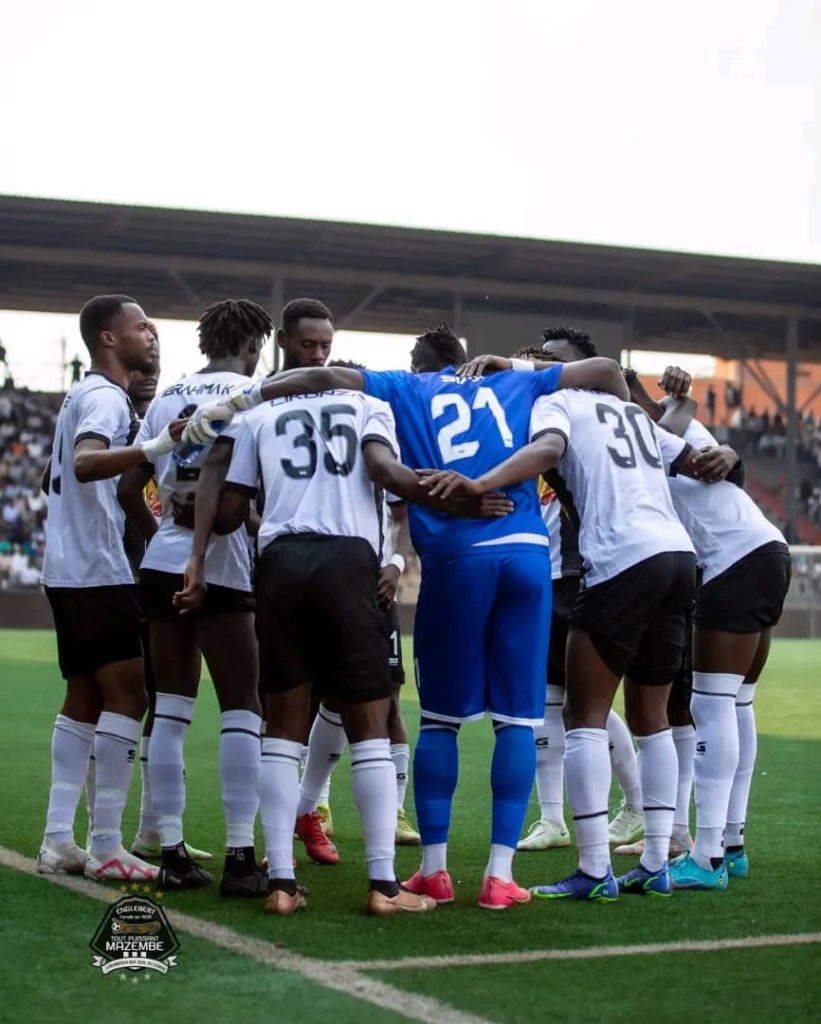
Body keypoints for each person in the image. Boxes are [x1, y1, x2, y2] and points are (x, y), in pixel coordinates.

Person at [183, 321, 629, 910]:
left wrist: (253, 395)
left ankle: (428, 871)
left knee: (431, 722)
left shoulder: (397, 390)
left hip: (439, 560)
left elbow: (322, 389)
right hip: (523, 553)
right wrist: (516, 367)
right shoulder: (517, 384)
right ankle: (494, 876)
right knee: (516, 723)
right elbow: (608, 373)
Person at [419, 357, 722, 900]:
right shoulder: (628, 411)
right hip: (679, 558)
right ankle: (656, 862)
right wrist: (713, 438)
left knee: (582, 715)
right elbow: (692, 457)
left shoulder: (555, 403)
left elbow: (548, 450)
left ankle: (593, 870)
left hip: (622, 559)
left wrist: (481, 481)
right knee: (651, 715)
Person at [210, 375, 511, 916]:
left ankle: (279, 882)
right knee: (371, 722)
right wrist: (457, 499)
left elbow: (229, 513)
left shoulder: (257, 416)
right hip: (348, 563)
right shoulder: (367, 403)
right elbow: (386, 473)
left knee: (282, 725)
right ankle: (383, 887)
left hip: (280, 562)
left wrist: (270, 516)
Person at [118, 299, 273, 894]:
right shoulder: (253, 398)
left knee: (173, 711)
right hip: (222, 566)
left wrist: (167, 539)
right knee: (242, 707)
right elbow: (235, 503)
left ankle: (173, 851)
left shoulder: (166, 396)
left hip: (163, 561)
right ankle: (240, 856)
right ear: (255, 344)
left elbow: (132, 486)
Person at [626, 369, 791, 889]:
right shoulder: (664, 431)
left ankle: (709, 859)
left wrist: (693, 410)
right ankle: (731, 845)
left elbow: (702, 452)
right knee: (736, 705)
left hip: (734, 561)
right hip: (763, 550)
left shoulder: (658, 432)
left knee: (710, 706)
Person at [37, 294, 184, 882]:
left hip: (68, 569)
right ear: (106, 337)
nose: (150, 334)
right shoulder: (104, 395)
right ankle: (105, 846)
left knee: (85, 700)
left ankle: (56, 839)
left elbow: (62, 472)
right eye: (139, 326)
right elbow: (83, 463)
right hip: (98, 571)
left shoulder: (81, 394)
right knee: (130, 698)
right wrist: (155, 445)